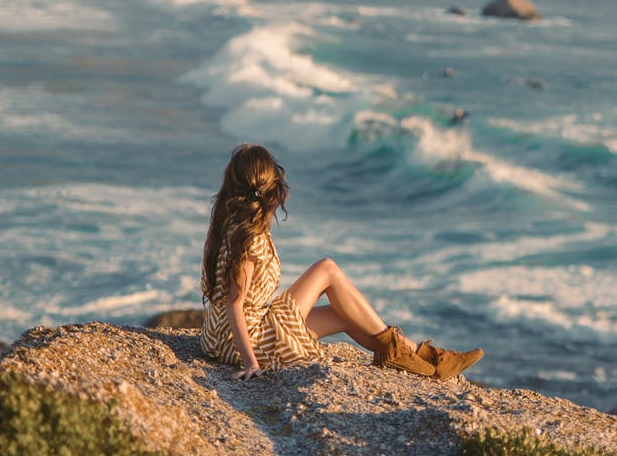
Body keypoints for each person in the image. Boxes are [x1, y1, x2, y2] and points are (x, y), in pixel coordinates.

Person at [200, 143, 483, 382]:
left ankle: (424, 357)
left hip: (225, 334)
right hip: (246, 340)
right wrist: (251, 363)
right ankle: (423, 355)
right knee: (327, 268)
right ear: (270, 189)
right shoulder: (250, 241)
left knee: (344, 314)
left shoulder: (227, 223)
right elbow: (235, 304)